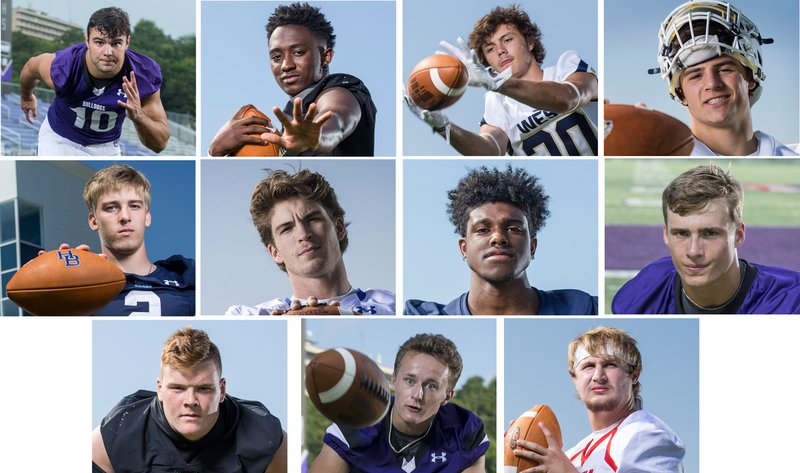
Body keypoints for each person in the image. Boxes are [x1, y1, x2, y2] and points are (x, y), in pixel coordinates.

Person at [405, 5, 597, 156]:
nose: (500, 50)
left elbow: (567, 98)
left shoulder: (567, 67)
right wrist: (444, 127)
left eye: (507, 39)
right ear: (486, 62)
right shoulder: (497, 102)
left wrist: (499, 84)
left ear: (530, 42)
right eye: (489, 49)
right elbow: (489, 149)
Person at [405, 165, 597, 315]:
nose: (498, 237)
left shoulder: (584, 309)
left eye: (514, 228)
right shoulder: (421, 316)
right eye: (482, 230)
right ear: (464, 248)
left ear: (532, 246)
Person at [92, 326, 287, 472]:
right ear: (159, 389)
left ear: (222, 390)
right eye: (178, 388)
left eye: (203, 389)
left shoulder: (264, 437)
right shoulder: (119, 432)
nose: (191, 400)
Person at [612, 164, 800, 314]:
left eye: (710, 233)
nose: (693, 251)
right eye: (681, 233)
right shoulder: (639, 297)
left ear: (739, 235)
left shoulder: (790, 301)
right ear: (665, 234)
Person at [208, 2, 376, 156]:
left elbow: (338, 118)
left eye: (298, 52)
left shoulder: (340, 90)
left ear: (326, 56)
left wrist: (321, 136)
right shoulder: (290, 132)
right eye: (276, 56)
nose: (286, 65)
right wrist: (213, 153)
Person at [512, 326, 685, 473]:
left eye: (610, 364)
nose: (598, 376)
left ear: (634, 374)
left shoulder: (647, 435)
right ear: (575, 378)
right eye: (588, 366)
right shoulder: (572, 455)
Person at [309, 333, 489, 473]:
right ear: (394, 380)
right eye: (410, 381)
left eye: (431, 386)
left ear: (447, 396)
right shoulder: (356, 424)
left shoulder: (464, 432)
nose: (418, 395)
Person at [226, 169, 394, 315]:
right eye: (286, 228)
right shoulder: (255, 315)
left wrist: (347, 316)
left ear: (339, 228)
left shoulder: (394, 307)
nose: (303, 234)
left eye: (312, 219)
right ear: (275, 253)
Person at [650, 1, 797, 156]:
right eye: (696, 76)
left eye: (724, 69)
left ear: (751, 77)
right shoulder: (656, 157)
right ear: (680, 93)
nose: (712, 84)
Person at [18, 7, 169, 156]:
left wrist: (139, 117)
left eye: (116, 43)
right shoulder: (65, 67)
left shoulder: (142, 75)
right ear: (87, 41)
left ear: (127, 42)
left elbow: (159, 144)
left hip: (107, 146)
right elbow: (32, 66)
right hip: (60, 138)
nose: (107, 52)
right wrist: (26, 96)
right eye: (99, 42)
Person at [83, 164, 195, 315]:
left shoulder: (187, 274)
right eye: (111, 207)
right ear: (94, 221)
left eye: (134, 206)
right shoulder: (82, 286)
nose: (125, 217)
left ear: (147, 217)